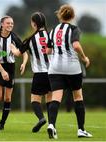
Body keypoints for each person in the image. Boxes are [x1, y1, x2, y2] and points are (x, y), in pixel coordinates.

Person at [46, 4, 92, 139]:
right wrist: (84, 58)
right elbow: (76, 45)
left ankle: (52, 125)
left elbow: (48, 50)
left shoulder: (53, 30)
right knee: (78, 97)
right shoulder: (74, 28)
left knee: (56, 98)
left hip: (54, 68)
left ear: (60, 15)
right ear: (72, 16)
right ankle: (81, 130)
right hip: (72, 67)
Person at [10, 12, 52, 133]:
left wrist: (12, 48)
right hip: (52, 73)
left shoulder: (30, 39)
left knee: (35, 99)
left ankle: (41, 118)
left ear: (34, 24)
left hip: (39, 73)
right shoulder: (51, 35)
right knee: (50, 98)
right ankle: (51, 124)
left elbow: (18, 53)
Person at [0, 15, 28, 131]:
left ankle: (2, 124)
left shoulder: (14, 38)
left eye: (12, 23)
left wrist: (24, 63)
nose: (10, 25)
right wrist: (2, 70)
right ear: (2, 24)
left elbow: (24, 52)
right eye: (8, 23)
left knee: (7, 98)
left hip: (10, 67)